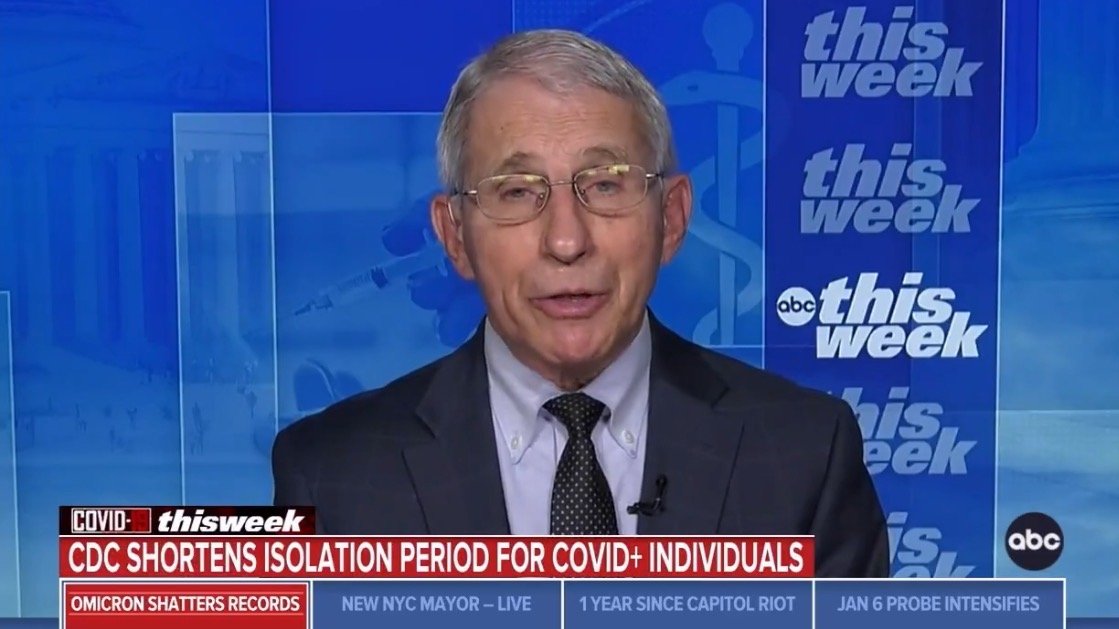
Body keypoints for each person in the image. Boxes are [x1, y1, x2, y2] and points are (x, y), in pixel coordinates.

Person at [272, 28, 888, 578]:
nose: (566, 241)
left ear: (672, 219)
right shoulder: (329, 476)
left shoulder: (807, 455)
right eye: (516, 192)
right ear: (454, 235)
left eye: (605, 185)